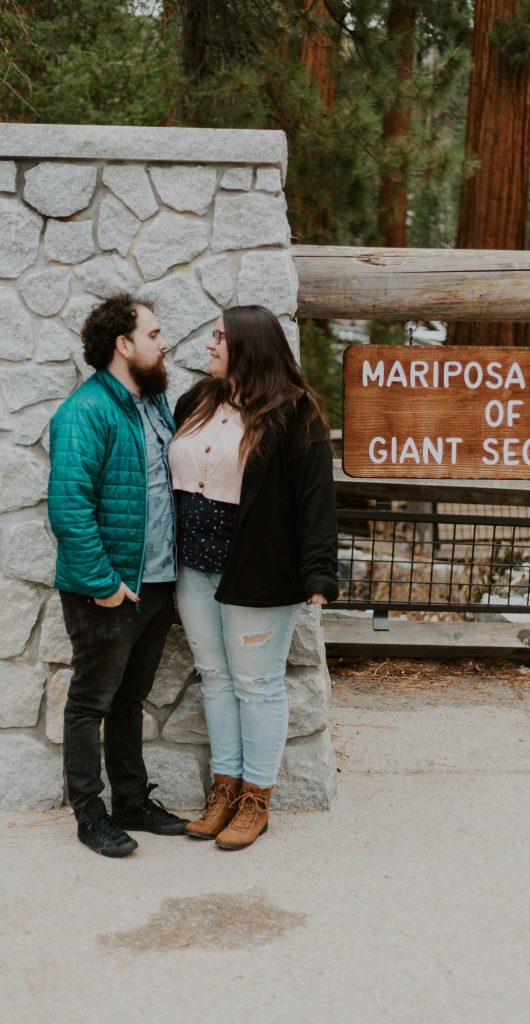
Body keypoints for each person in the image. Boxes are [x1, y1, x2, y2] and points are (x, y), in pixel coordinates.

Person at [169, 305, 338, 850]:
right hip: (194, 567)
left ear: (248, 346)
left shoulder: (296, 413)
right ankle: (225, 788)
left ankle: (256, 800)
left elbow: (316, 497)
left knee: (258, 685)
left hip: (260, 571)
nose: (210, 345)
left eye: (219, 336)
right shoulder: (196, 402)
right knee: (214, 679)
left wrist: (318, 570)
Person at [48, 294, 189, 858]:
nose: (163, 343)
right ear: (122, 345)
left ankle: (132, 801)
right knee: (91, 702)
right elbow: (69, 506)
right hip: (108, 590)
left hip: (156, 584)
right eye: (153, 335)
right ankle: (90, 814)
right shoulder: (85, 411)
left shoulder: (155, 406)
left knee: (130, 698)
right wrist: (104, 584)